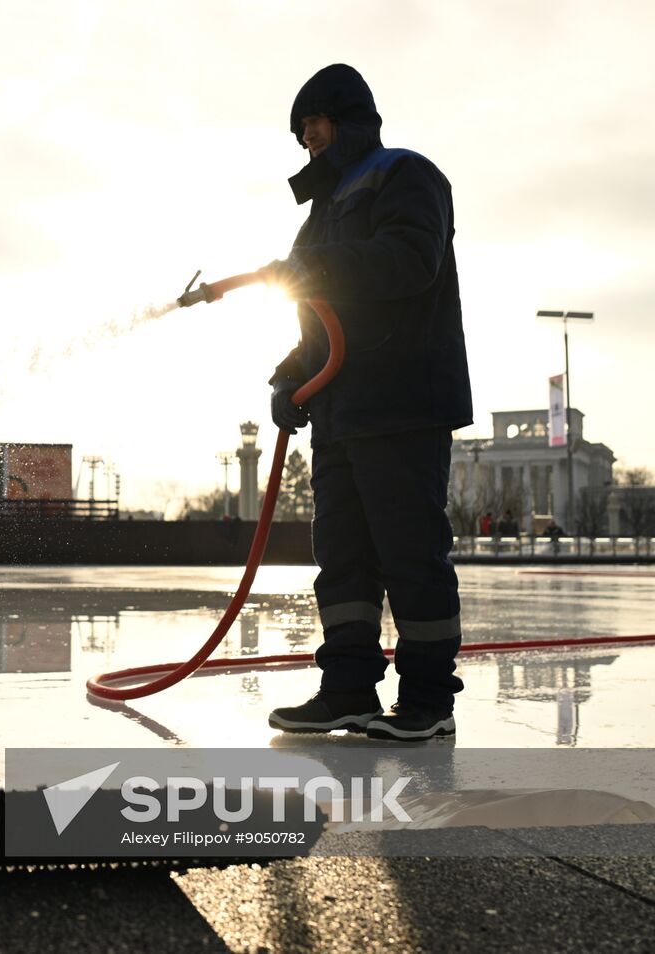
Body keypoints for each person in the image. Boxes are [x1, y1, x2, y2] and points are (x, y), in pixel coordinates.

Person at [263, 65, 472, 742]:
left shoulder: (405, 175)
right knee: (344, 559)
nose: (308, 138)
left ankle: (428, 701)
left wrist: (320, 267)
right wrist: (290, 376)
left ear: (348, 119)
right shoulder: (321, 214)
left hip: (403, 402)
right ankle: (348, 689)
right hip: (340, 411)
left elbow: (410, 259)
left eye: (314, 123)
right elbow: (319, 320)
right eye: (301, 130)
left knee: (410, 553)